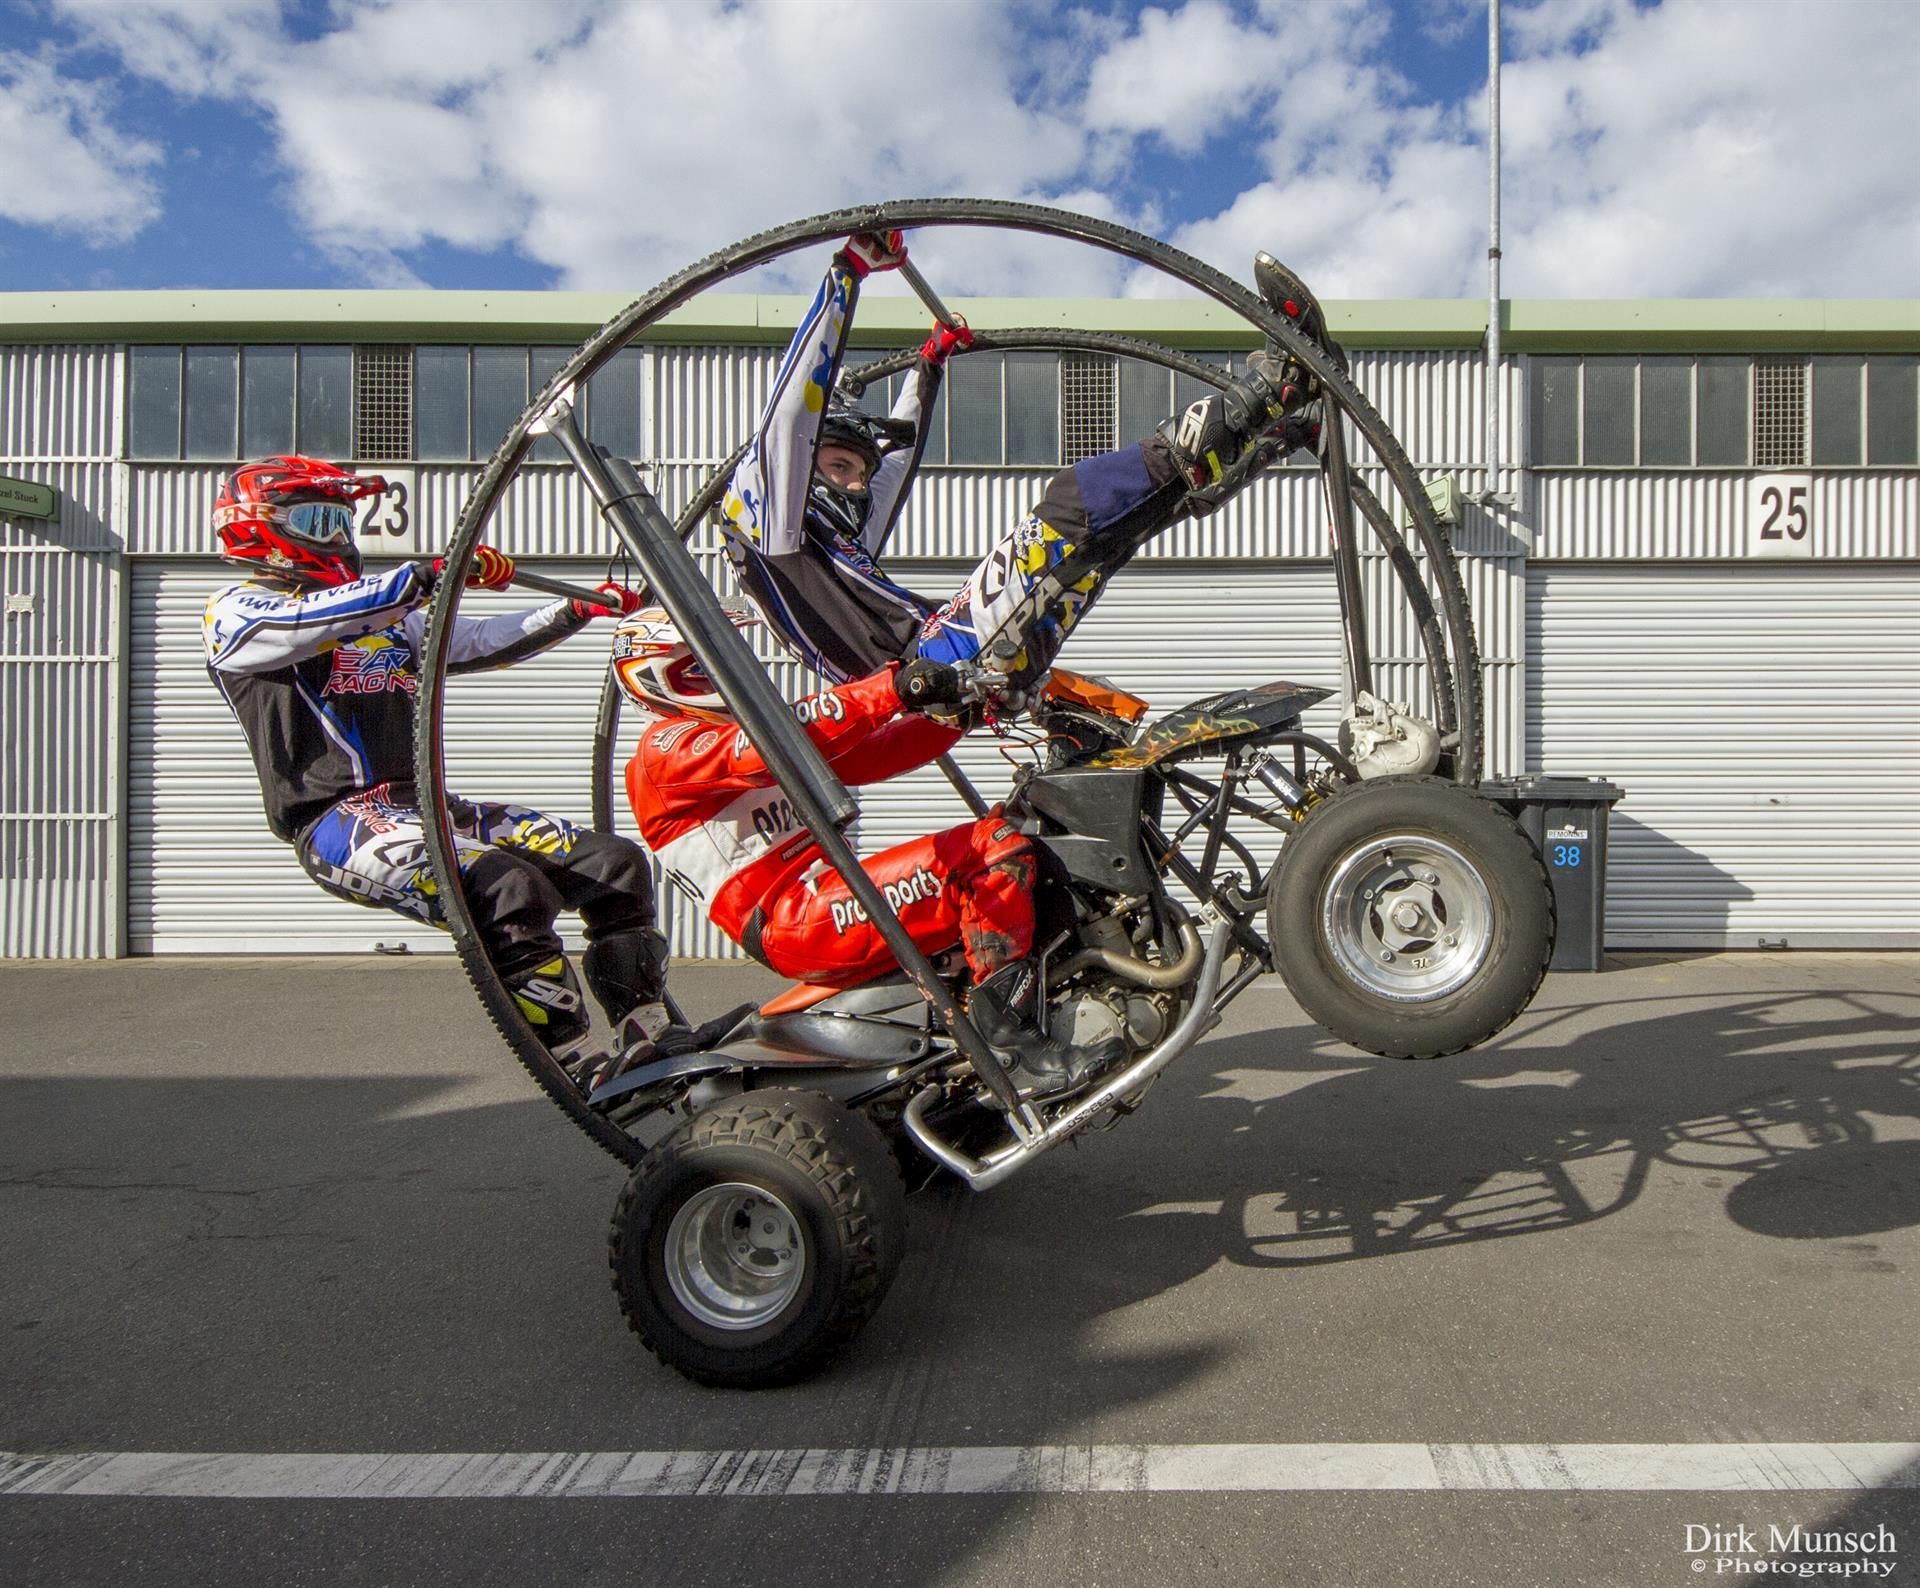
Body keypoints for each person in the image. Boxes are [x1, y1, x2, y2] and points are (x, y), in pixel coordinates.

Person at [203, 453, 673, 1083]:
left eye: (345, 520)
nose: (340, 538)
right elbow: (314, 621)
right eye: (319, 520)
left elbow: (475, 640)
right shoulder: (236, 613)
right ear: (258, 527)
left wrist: (575, 611)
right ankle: (574, 1058)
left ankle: (649, 1030)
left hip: (420, 803)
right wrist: (430, 577)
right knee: (508, 887)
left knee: (614, 864)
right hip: (339, 823)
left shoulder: (395, 616)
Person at [717, 230, 1322, 709]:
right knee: (1077, 502)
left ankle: (1279, 433)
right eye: (843, 465)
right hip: (932, 661)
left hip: (945, 676)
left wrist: (929, 366)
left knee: (1114, 530)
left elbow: (891, 469)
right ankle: (1275, 385)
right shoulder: (764, 518)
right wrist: (848, 271)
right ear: (801, 464)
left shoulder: (826, 550)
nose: (855, 484)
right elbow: (792, 414)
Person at [613, 608, 1107, 1095]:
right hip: (793, 918)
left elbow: (872, 754)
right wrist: (892, 687)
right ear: (653, 677)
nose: (721, 669)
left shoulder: (737, 739)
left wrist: (964, 715)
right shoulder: (664, 749)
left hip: (824, 897)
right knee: (989, 849)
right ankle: (1013, 1051)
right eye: (699, 664)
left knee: (1012, 827)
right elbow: (779, 739)